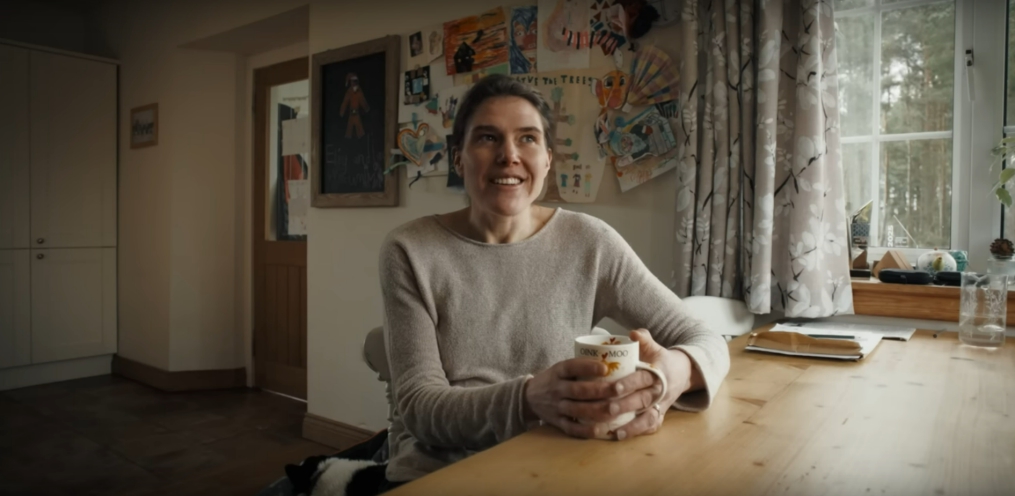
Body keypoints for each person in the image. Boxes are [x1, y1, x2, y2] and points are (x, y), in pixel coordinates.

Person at [378, 74, 730, 487]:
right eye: (487, 138)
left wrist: (673, 373)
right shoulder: (409, 250)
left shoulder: (590, 242)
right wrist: (529, 400)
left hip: (559, 462)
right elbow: (421, 409)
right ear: (459, 158)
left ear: (547, 159)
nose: (508, 155)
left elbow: (704, 337)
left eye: (527, 138)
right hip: (441, 472)